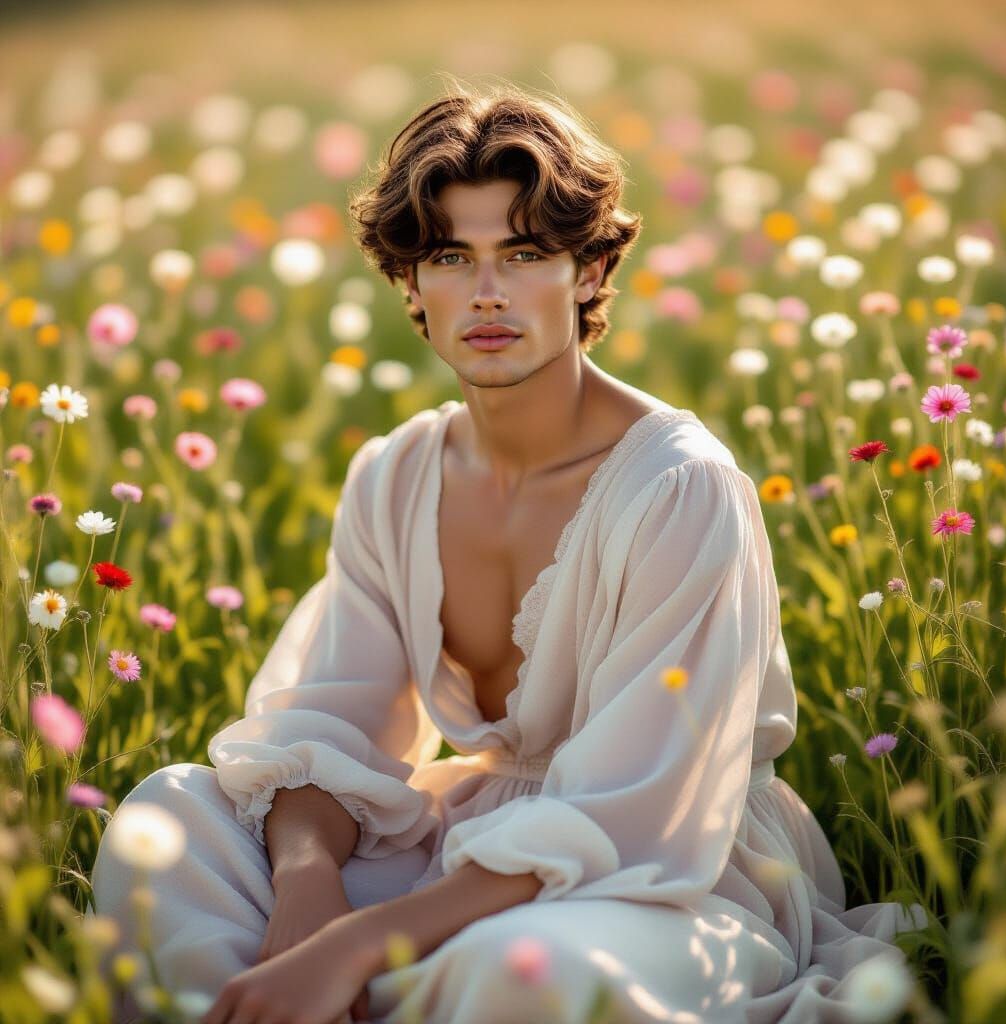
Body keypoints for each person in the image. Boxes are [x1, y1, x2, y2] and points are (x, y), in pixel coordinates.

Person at [91, 78, 925, 1024]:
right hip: (475, 841)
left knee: (520, 969)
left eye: (524, 252)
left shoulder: (679, 487)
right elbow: (328, 726)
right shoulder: (395, 474)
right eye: (452, 255)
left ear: (588, 269)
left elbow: (635, 811)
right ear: (412, 281)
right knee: (169, 816)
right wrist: (309, 886)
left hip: (666, 874)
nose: (487, 293)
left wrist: (360, 940)